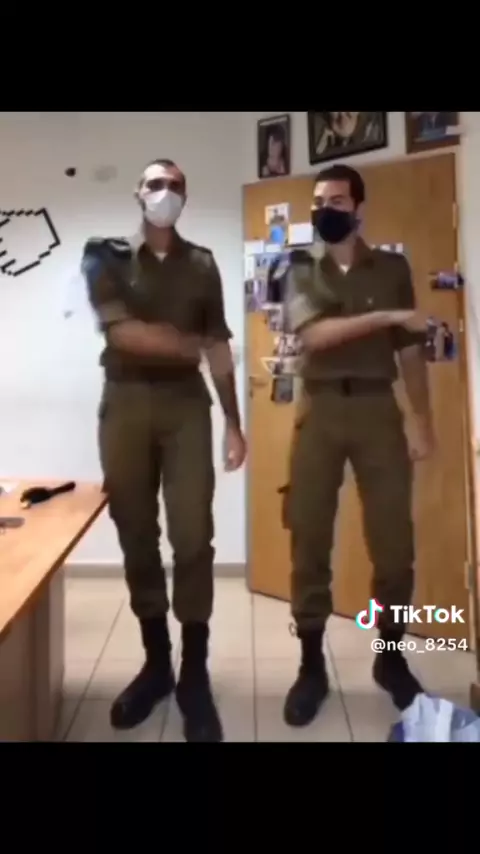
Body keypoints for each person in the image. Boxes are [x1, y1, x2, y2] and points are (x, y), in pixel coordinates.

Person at [82, 158, 247, 742]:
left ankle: (193, 673)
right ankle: (157, 664)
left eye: (176, 186)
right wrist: (194, 344)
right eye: (156, 184)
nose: (166, 193)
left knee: (193, 535)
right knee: (135, 531)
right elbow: (124, 333)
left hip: (185, 407)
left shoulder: (202, 264)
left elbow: (221, 348)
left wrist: (234, 423)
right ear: (138, 193)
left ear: (186, 196)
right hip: (125, 401)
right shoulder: (104, 255)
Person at [283, 163, 434, 727]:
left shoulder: (392, 268)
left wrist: (422, 420)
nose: (327, 209)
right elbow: (315, 335)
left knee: (394, 544)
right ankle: (310, 665)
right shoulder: (299, 268)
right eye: (320, 201)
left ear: (359, 208)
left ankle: (390, 659)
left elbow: (410, 351)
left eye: (338, 201)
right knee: (308, 539)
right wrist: (388, 315)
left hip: (377, 409)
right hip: (320, 409)